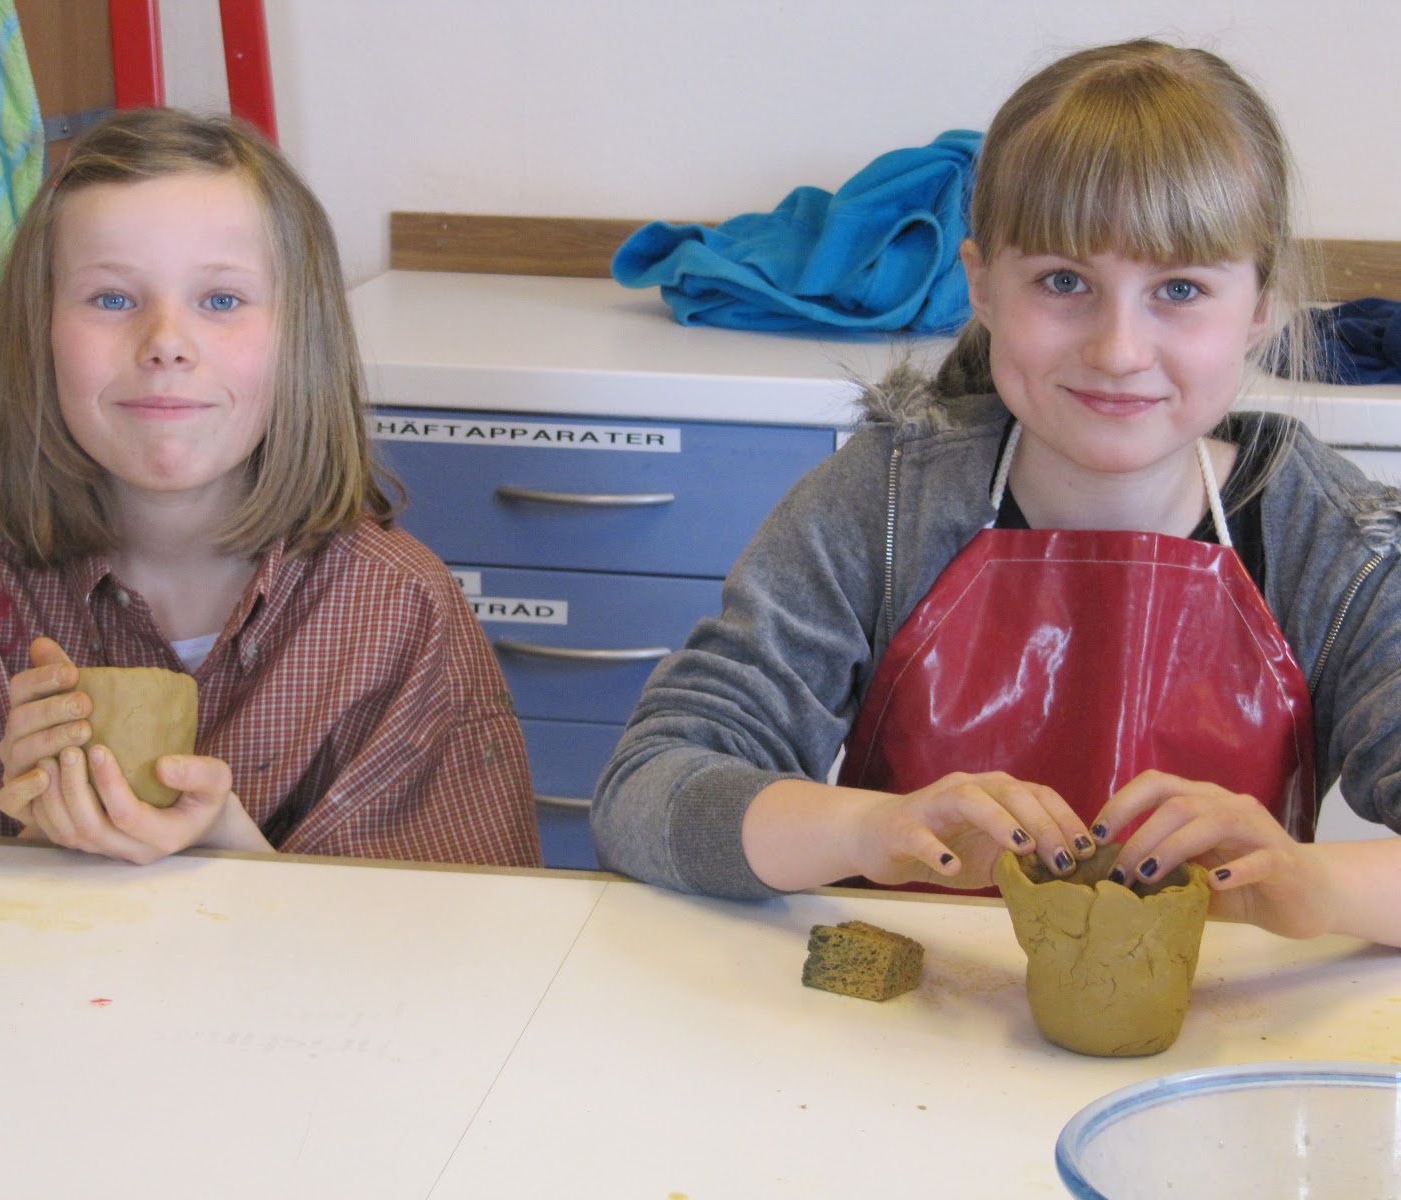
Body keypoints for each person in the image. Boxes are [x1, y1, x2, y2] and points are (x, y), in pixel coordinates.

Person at [592, 39, 1401, 946]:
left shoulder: (1334, 542)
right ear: (981, 285)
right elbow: (644, 792)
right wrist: (867, 829)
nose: (1118, 350)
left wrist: (1316, 887)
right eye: (1064, 282)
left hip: (1214, 1016)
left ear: (1260, 308)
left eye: (1179, 289)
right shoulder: (883, 504)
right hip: (914, 1007)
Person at [0, 108, 541, 869]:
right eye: (112, 298)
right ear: (38, 334)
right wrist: (35, 851)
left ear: (301, 339)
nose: (165, 343)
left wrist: (240, 859)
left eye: (221, 300)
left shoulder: (399, 615)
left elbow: (469, 928)